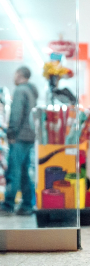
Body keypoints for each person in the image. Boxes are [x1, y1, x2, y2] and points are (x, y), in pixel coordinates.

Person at [0, 66, 38, 216]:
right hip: (29, 137)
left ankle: (8, 204)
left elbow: (16, 114)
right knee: (24, 172)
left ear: (19, 75)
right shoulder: (31, 91)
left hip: (20, 137)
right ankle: (27, 205)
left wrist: (11, 133)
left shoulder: (20, 90)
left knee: (13, 171)